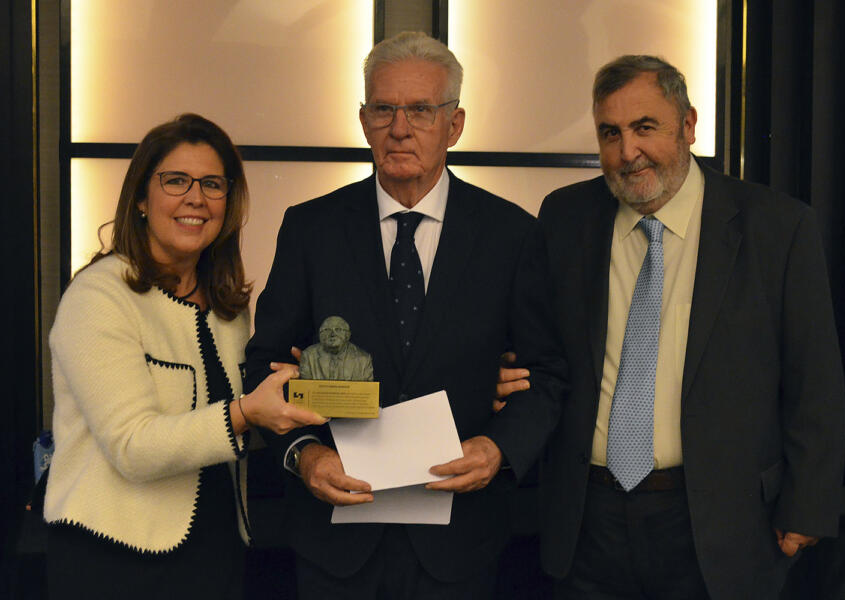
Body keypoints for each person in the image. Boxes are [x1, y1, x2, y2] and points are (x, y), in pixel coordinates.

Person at [244, 31, 567, 599]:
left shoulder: (511, 235)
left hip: (461, 542)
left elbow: (546, 375)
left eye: (421, 110)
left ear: (455, 123)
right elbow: (264, 368)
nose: (400, 127)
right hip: (335, 542)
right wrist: (305, 456)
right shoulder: (310, 228)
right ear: (363, 120)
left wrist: (498, 450)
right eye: (384, 109)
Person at [536, 56, 845, 599]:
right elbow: (542, 350)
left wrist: (808, 503)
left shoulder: (778, 227)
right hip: (588, 518)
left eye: (644, 128)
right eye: (611, 133)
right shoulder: (565, 217)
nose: (627, 151)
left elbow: (814, 380)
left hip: (720, 521)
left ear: (689, 125)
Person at [43, 113, 326, 600]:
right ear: (140, 198)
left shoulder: (227, 306)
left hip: (217, 552)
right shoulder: (98, 297)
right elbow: (132, 446)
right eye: (176, 181)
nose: (196, 198)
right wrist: (246, 411)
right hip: (114, 559)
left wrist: (299, 384)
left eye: (213, 184)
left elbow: (234, 426)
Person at [299, 315, 374, 381]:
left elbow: (368, 393)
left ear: (348, 335)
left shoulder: (363, 360)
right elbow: (306, 391)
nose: (332, 334)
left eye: (338, 329)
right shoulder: (308, 356)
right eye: (327, 330)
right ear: (319, 335)